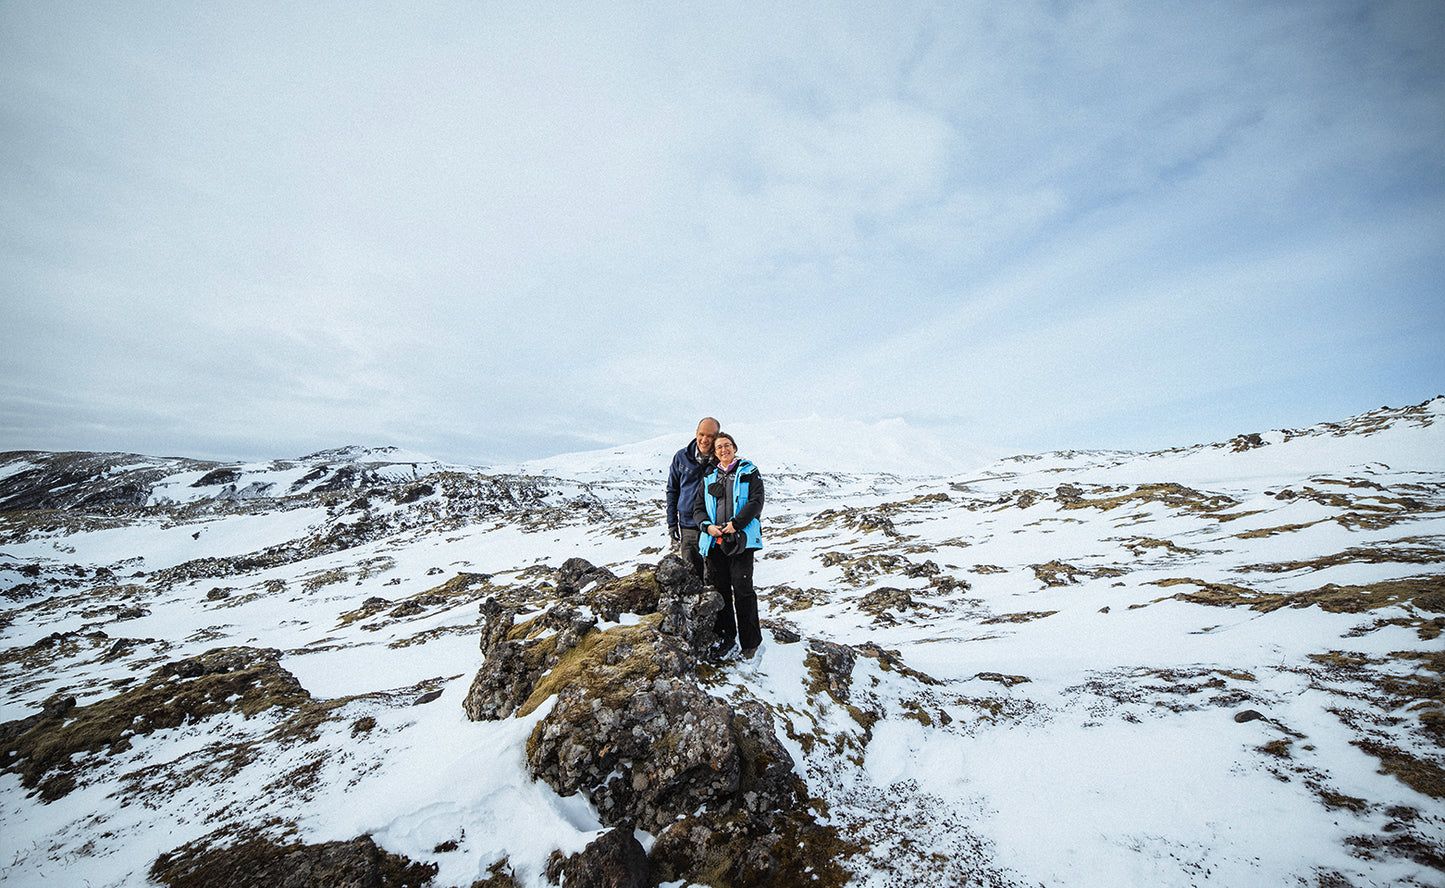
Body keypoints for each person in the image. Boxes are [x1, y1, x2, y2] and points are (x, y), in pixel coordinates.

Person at [691, 432, 764, 659]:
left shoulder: (749, 472)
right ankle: (726, 637)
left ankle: (750, 642)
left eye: (727, 445)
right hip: (715, 542)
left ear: (734, 447)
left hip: (741, 540)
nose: (723, 450)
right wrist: (707, 526)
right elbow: (698, 508)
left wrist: (736, 524)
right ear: (714, 453)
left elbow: (756, 502)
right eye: (719, 447)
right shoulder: (709, 476)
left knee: (743, 590)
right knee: (720, 591)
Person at [665, 417, 719, 579]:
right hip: (687, 526)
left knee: (714, 576)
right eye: (701, 434)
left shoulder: (721, 461)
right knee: (691, 575)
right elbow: (672, 490)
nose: (704, 439)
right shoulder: (681, 457)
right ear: (696, 433)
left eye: (710, 436)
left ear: (716, 437)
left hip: (713, 527)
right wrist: (672, 522)